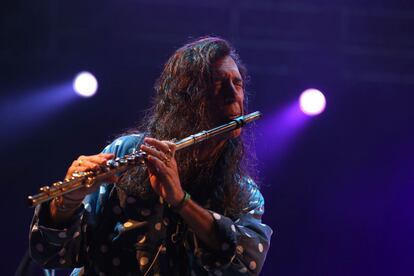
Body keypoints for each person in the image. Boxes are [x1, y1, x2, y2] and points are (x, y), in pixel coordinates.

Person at [30, 37, 273, 275]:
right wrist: (67, 202)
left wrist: (180, 200)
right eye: (218, 83)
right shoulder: (127, 152)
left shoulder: (243, 192)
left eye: (237, 83)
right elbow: (54, 254)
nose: (233, 95)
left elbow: (245, 263)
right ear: (186, 98)